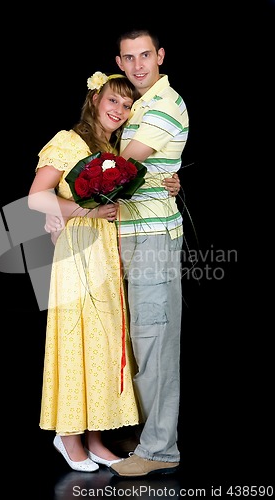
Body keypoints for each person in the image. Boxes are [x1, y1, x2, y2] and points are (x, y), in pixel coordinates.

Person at [28, 72, 143, 473]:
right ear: (95, 100)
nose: (119, 110)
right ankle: (69, 435)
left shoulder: (111, 149)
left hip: (105, 256)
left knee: (105, 340)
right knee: (77, 338)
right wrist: (84, 211)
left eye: (127, 105)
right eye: (113, 100)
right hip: (77, 251)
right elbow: (37, 197)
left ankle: (96, 436)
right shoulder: (68, 141)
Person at [102, 28, 189, 478]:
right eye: (128, 57)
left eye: (145, 55)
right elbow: (148, 169)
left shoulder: (165, 104)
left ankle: (161, 450)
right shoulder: (135, 105)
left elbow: (122, 169)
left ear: (159, 56)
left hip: (153, 239)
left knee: (154, 341)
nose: (138, 65)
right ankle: (151, 435)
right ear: (119, 63)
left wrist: (67, 204)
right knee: (138, 341)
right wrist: (167, 180)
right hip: (129, 233)